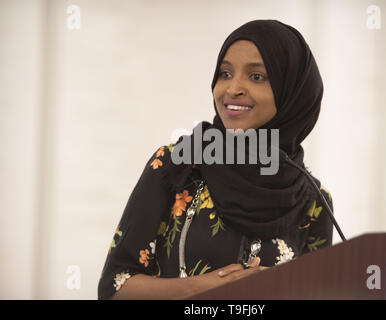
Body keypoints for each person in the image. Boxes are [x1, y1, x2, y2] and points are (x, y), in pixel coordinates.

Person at [97, 19, 334, 300]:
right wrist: (201, 289)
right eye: (225, 73)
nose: (232, 89)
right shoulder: (177, 165)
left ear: (293, 93)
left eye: (256, 76)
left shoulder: (313, 202)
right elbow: (114, 287)